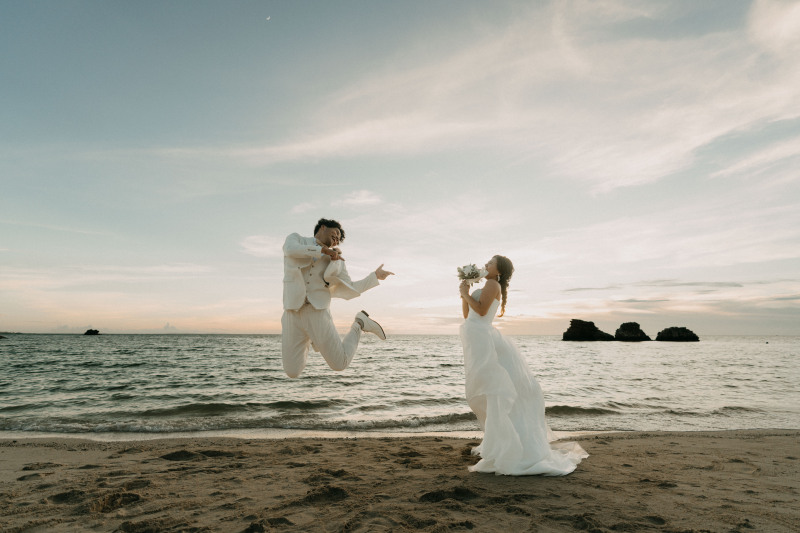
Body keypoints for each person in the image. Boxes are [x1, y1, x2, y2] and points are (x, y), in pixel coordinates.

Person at [459, 255, 588, 475]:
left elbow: (481, 312)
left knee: (497, 391)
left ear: (499, 270)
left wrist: (465, 294)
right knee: (493, 392)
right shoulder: (488, 284)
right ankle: (499, 442)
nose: (486, 264)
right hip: (477, 337)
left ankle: (511, 446)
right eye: (487, 261)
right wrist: (465, 295)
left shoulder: (492, 283)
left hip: (484, 339)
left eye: (491, 262)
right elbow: (468, 314)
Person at [281, 218, 393, 378]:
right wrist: (322, 251)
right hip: (292, 312)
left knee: (340, 364)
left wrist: (374, 277)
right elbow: (291, 250)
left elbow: (351, 287)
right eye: (336, 233)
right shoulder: (296, 239)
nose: (337, 239)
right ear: (323, 227)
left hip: (318, 312)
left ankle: (359, 323)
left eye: (339, 239)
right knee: (292, 372)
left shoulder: (337, 262)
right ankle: (310, 337)